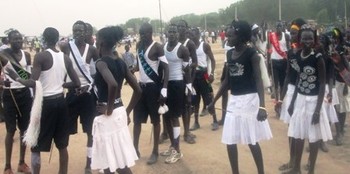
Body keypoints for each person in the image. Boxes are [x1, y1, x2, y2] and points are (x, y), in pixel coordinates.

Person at [5, 27, 81, 174]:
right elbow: (77, 83)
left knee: (35, 145)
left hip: (45, 104)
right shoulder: (65, 58)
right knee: (62, 146)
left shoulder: (40, 56)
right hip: (61, 102)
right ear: (57, 39)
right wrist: (61, 84)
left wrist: (14, 75)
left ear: (44, 40)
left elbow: (31, 82)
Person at [207, 20, 272, 174]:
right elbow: (227, 81)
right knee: (230, 139)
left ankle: (261, 172)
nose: (227, 38)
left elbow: (258, 81)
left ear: (241, 35)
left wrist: (262, 106)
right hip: (234, 100)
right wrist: (213, 101)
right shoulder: (229, 54)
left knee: (251, 140)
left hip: (250, 100)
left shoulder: (252, 54)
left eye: (230, 36)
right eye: (227, 36)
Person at [90, 26, 141, 174]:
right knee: (121, 163)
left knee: (108, 163)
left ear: (102, 42)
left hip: (108, 115)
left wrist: (109, 109)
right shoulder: (120, 62)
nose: (96, 41)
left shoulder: (101, 63)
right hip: (120, 113)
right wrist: (127, 112)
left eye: (97, 39)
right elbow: (138, 90)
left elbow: (112, 84)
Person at [286, 24, 332, 174]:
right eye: (304, 38)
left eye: (310, 38)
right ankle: (296, 168)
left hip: (313, 102)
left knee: (313, 137)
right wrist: (292, 102)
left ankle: (311, 170)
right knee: (298, 135)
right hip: (300, 99)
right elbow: (299, 79)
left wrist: (318, 110)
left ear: (314, 40)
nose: (307, 41)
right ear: (299, 39)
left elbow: (322, 85)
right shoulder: (299, 55)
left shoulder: (318, 58)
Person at [60, 20, 99, 173]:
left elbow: (99, 73)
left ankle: (89, 163)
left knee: (90, 131)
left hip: (88, 95)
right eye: (75, 30)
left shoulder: (92, 50)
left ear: (86, 32)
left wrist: (89, 86)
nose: (78, 33)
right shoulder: (65, 48)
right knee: (65, 130)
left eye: (80, 30)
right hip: (72, 94)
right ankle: (64, 166)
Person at [133, 22, 169, 165]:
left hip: (153, 88)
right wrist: (132, 70)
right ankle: (134, 149)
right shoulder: (138, 46)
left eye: (144, 33)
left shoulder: (157, 47)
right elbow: (138, 65)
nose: (142, 36)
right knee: (137, 121)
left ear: (150, 33)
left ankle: (155, 152)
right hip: (140, 88)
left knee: (155, 121)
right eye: (140, 33)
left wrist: (164, 89)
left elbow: (166, 68)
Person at [0, 30, 32, 174]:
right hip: (10, 94)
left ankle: (21, 163)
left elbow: (29, 76)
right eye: (15, 39)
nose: (18, 41)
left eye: (20, 39)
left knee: (24, 130)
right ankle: (7, 166)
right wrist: (2, 82)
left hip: (24, 94)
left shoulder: (26, 55)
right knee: (11, 130)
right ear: (9, 40)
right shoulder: (3, 55)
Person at [277, 18, 306, 172]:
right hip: (290, 90)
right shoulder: (291, 52)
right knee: (291, 128)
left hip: (301, 93)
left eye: (295, 33)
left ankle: (296, 166)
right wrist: (281, 98)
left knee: (299, 129)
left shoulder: (306, 53)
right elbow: (288, 75)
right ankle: (291, 161)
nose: (292, 35)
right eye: (292, 33)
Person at [159, 24, 190, 163]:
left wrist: (189, 89)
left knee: (175, 117)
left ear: (178, 34)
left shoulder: (182, 49)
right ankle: (172, 145)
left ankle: (178, 151)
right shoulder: (163, 47)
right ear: (166, 33)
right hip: (165, 85)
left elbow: (187, 70)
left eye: (174, 32)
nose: (171, 34)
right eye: (170, 31)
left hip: (177, 84)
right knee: (166, 116)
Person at [189, 27, 219, 131]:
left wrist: (211, 74)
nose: (192, 37)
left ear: (198, 35)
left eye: (193, 35)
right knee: (195, 100)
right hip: (194, 75)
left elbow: (213, 60)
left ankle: (215, 120)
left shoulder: (204, 46)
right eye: (190, 35)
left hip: (204, 74)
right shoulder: (190, 47)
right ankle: (196, 122)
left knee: (209, 97)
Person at [329, 28, 350, 146]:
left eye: (334, 37)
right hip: (335, 82)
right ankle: (338, 131)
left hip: (342, 82)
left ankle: (340, 132)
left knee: (341, 109)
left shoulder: (341, 49)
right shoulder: (334, 48)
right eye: (332, 37)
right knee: (336, 108)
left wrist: (347, 83)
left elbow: (346, 66)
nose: (333, 39)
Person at [267, 21, 290, 117]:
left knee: (283, 83)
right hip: (274, 62)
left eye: (280, 27)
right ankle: (277, 107)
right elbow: (269, 49)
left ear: (283, 27)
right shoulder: (271, 36)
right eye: (277, 27)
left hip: (283, 61)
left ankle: (282, 103)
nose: (278, 29)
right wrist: (268, 62)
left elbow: (288, 49)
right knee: (276, 85)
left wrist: (289, 62)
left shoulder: (287, 36)